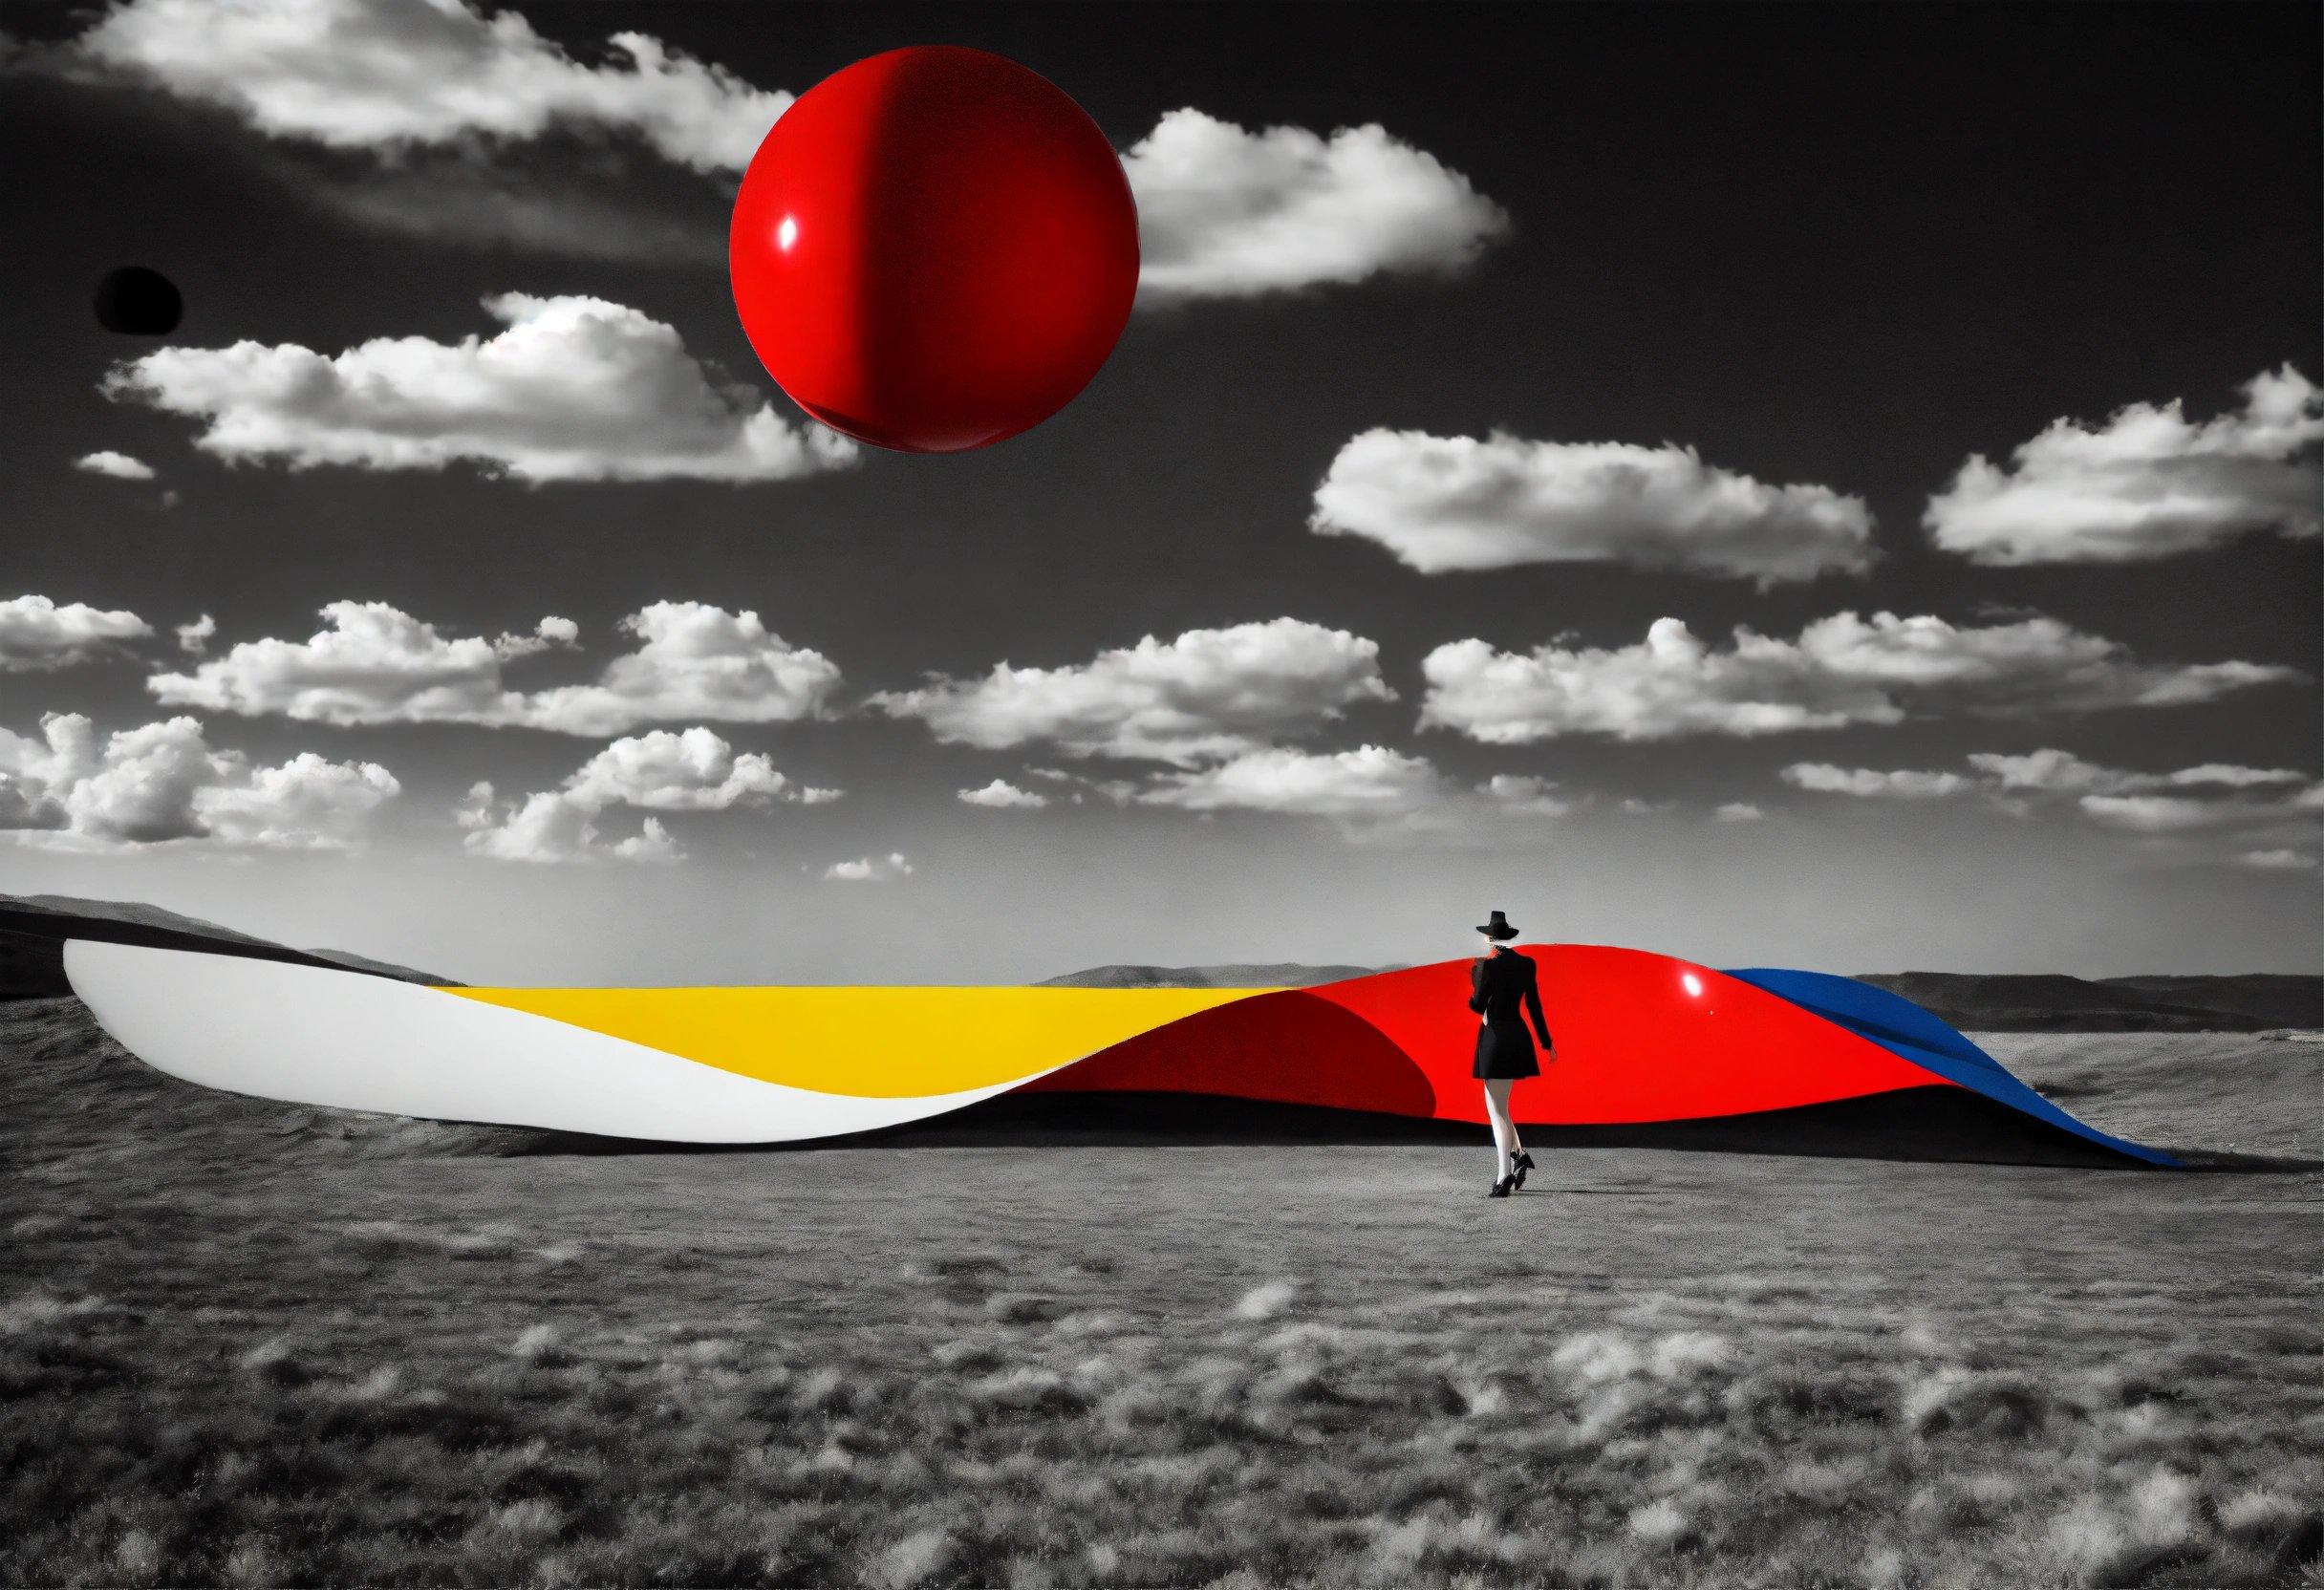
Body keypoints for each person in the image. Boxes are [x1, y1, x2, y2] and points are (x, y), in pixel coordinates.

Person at [1469, 909, 1553, 1197]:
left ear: (1489, 939)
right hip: (1517, 1037)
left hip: (1494, 1039)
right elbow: (1534, 1006)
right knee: (1502, 1108)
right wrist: (1546, 1041)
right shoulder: (1527, 964)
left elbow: (1477, 1006)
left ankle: (1504, 1175)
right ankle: (1519, 1157)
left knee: (1497, 1112)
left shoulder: (1485, 966)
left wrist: (1476, 978)